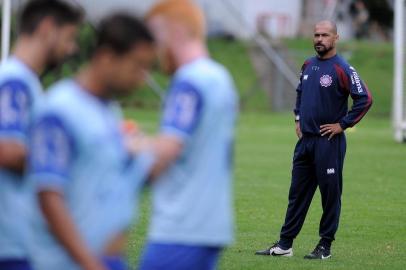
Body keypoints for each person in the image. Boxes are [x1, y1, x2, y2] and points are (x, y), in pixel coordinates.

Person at [26, 14, 155, 270]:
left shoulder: (107, 109)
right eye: (137, 66)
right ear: (107, 57)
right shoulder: (60, 110)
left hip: (109, 260)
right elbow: (49, 197)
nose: (142, 78)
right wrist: (91, 264)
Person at [255, 20, 372, 260]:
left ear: (336, 38)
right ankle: (285, 244)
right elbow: (300, 93)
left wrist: (343, 124)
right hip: (305, 143)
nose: (319, 39)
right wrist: (298, 118)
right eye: (316, 34)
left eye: (325, 35)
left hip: (328, 143)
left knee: (330, 195)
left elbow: (365, 99)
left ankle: (325, 246)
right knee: (297, 194)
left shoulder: (343, 68)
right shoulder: (308, 64)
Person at [137, 0, 238, 269]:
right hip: (211, 226)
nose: (154, 52)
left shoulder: (188, 82)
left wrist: (127, 147)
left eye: (156, 38)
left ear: (177, 32)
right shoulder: (220, 77)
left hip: (181, 227)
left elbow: (169, 149)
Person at [0, 1, 83, 269]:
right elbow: (7, 149)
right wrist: (69, 153)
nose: (71, 48)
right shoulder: (15, 81)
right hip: (10, 242)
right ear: (47, 29)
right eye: (69, 37)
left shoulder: (23, 81)